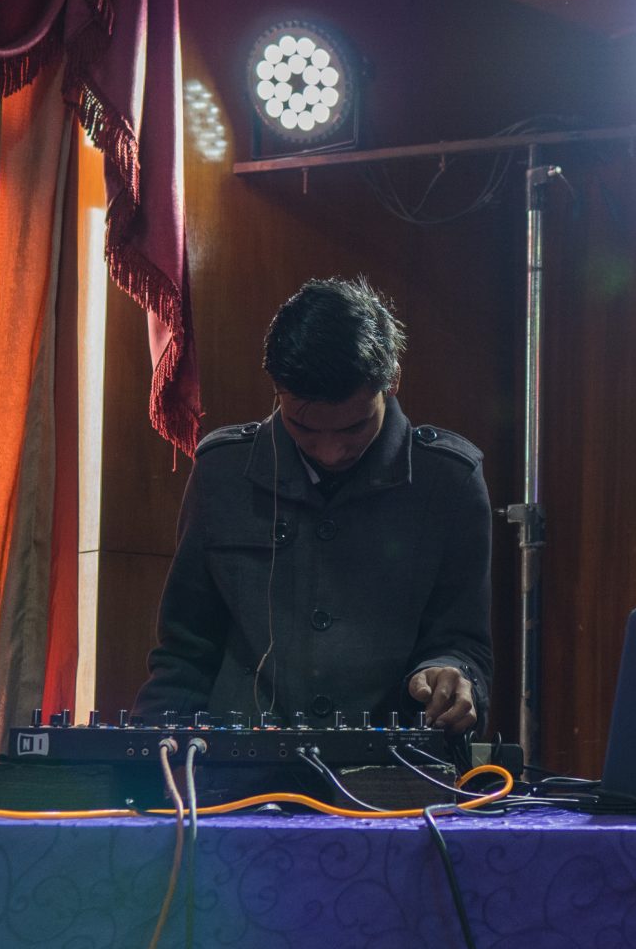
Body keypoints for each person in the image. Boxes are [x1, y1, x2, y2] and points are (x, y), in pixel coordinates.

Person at [136, 277, 492, 731]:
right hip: (238, 764)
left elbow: (464, 643)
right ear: (276, 390)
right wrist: (146, 755)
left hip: (392, 764)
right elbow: (184, 653)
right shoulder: (222, 472)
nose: (330, 452)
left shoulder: (449, 482)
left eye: (352, 429)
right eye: (303, 428)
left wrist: (450, 674)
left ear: (392, 382)